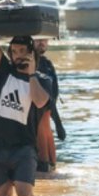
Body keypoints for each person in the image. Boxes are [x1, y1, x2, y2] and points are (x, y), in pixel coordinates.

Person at [0, 21, 53, 196]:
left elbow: (39, 102)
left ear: (32, 52)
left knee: (24, 195)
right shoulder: (4, 71)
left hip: (24, 148)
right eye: (14, 51)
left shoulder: (43, 80)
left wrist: (31, 75)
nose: (18, 55)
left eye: (23, 51)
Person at [34, 38, 66, 172]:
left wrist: (58, 124)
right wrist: (58, 125)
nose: (42, 42)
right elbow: (47, 100)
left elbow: (52, 98)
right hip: (35, 126)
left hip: (45, 124)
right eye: (37, 40)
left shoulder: (47, 64)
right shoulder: (30, 66)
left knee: (48, 172)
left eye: (45, 40)